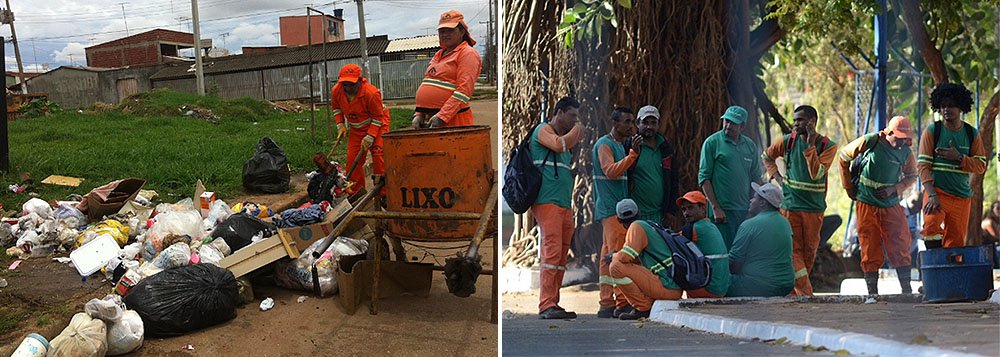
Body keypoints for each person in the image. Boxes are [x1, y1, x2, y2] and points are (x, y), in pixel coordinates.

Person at [761, 105, 839, 296]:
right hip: (791, 206)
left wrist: (811, 145)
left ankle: (794, 293)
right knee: (793, 251)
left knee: (808, 254)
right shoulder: (788, 141)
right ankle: (805, 293)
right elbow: (767, 156)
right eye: (795, 120)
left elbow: (816, 173)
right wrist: (776, 177)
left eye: (800, 120)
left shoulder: (828, 146)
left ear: (812, 122)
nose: (795, 124)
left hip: (814, 210)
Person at [838, 116, 918, 299]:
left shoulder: (906, 152)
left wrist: (895, 189)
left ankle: (906, 291)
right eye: (897, 137)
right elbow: (843, 157)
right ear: (888, 132)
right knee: (869, 244)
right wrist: (848, 187)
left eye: (904, 138)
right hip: (867, 202)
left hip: (891, 204)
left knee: (900, 243)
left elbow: (912, 175)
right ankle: (872, 294)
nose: (900, 142)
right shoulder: (871, 141)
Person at [531, 97, 585, 319]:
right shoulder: (543, 130)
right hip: (547, 203)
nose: (575, 121)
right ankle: (546, 305)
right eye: (572, 116)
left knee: (561, 257)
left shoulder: (564, 140)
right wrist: (578, 130)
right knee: (552, 253)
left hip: (564, 205)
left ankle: (553, 302)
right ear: (560, 112)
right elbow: (559, 145)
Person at [918, 83, 988, 249]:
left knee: (955, 243)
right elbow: (922, 166)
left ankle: (950, 273)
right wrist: (932, 195)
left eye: (951, 106)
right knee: (931, 227)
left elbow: (980, 165)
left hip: (961, 198)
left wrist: (959, 158)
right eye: (942, 106)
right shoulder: (932, 131)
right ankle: (935, 269)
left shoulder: (972, 134)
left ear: (961, 107)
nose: (946, 110)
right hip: (937, 193)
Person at [592, 107, 641, 318]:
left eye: (632, 121)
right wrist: (633, 156)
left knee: (607, 257)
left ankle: (606, 303)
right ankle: (622, 303)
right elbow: (611, 171)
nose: (632, 125)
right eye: (627, 121)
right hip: (611, 210)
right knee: (618, 256)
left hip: (612, 209)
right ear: (615, 123)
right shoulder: (605, 145)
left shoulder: (619, 145)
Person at [699, 105, 763, 249]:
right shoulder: (712, 143)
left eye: (733, 122)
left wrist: (754, 207)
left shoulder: (750, 146)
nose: (728, 125)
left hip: (744, 211)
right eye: (726, 120)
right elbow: (704, 178)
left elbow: (756, 178)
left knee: (741, 252)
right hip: (722, 212)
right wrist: (716, 207)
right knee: (722, 251)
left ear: (742, 126)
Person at [608, 199, 683, 320]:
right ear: (639, 213)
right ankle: (646, 302)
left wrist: (613, 256)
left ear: (618, 220)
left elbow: (626, 256)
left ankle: (642, 308)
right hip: (672, 286)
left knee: (616, 266)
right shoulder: (648, 225)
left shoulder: (636, 227)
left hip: (667, 287)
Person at [412, 10, 482, 128]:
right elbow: (428, 82)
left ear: (461, 31)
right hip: (432, 120)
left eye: (450, 30)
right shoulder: (438, 54)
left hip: (455, 119)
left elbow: (464, 91)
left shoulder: (467, 53)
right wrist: (419, 114)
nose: (445, 34)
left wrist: (442, 116)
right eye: (442, 31)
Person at [330, 63, 390, 195]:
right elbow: (336, 108)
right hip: (357, 130)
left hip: (378, 125)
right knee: (352, 161)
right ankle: (357, 193)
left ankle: (385, 193)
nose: (348, 88)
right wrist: (340, 124)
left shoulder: (371, 93)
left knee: (378, 154)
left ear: (360, 80)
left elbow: (377, 117)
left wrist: (370, 136)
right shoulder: (337, 91)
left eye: (351, 84)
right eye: (345, 84)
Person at [727, 182, 795, 297]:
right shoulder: (785, 222)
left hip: (759, 285)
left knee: (719, 281)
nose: (750, 201)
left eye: (754, 198)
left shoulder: (749, 225)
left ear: (763, 203)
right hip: (786, 285)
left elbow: (734, 263)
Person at [625, 105, 679, 225]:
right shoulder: (629, 146)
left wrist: (671, 211)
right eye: (645, 122)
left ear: (658, 125)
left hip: (659, 215)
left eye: (653, 123)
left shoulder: (665, 148)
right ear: (638, 123)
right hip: (636, 214)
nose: (649, 126)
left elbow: (673, 179)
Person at [676, 191, 730, 298]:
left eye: (690, 208)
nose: (686, 213)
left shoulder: (695, 228)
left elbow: (671, 242)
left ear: (703, 209)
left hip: (709, 290)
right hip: (722, 288)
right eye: (684, 209)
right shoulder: (711, 225)